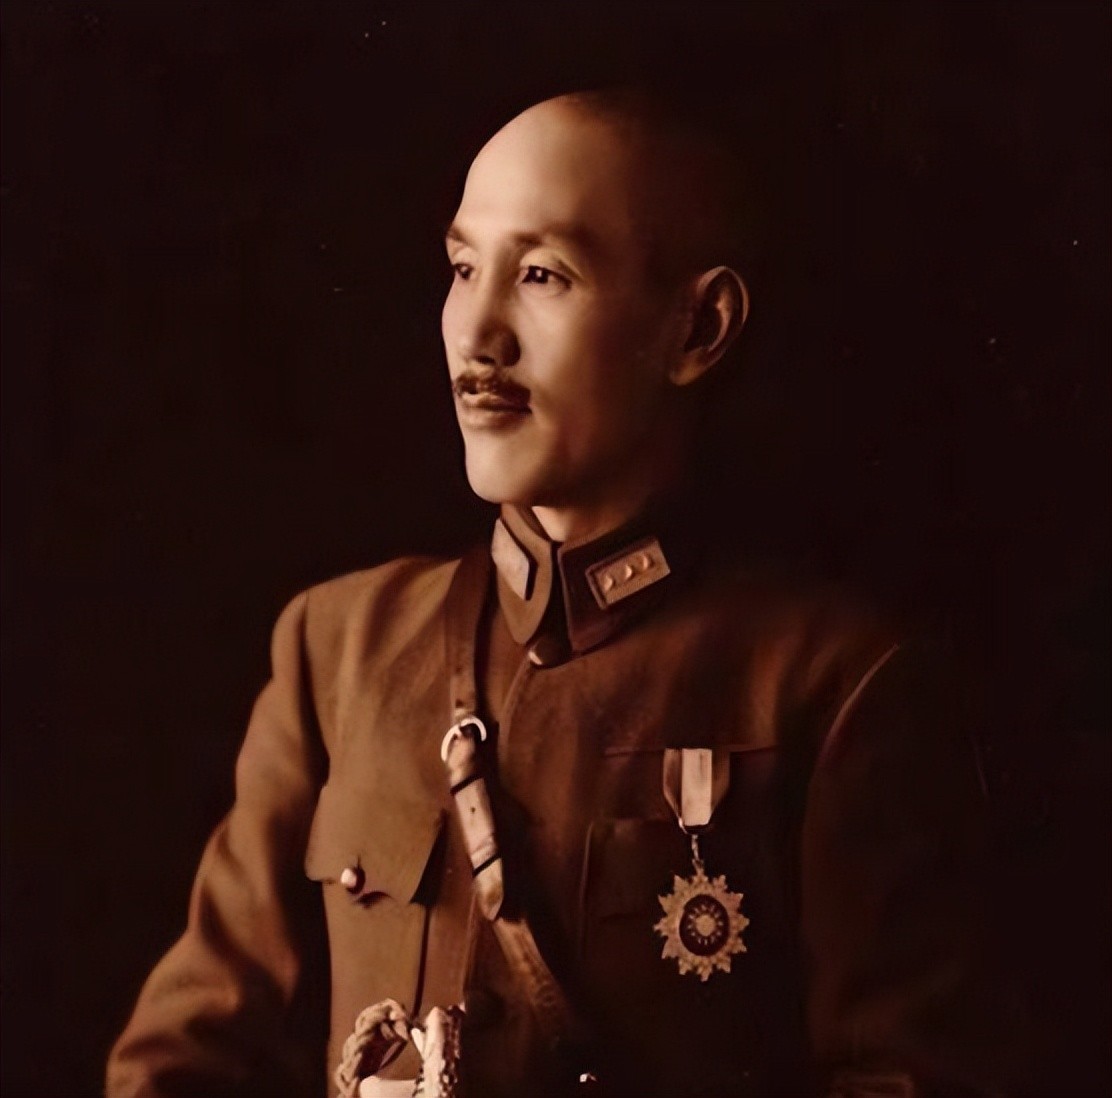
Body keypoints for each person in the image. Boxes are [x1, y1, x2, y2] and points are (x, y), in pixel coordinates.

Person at [107, 89, 1017, 1098]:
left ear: (697, 329)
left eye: (542, 274)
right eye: (463, 269)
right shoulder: (337, 647)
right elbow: (179, 1065)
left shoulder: (833, 686)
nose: (477, 334)